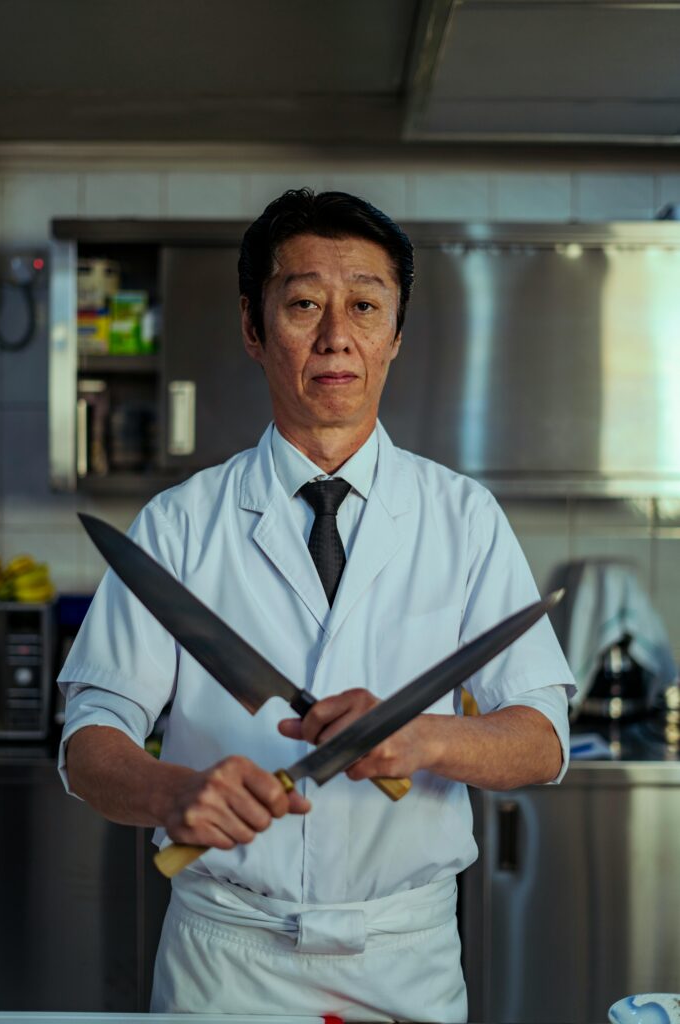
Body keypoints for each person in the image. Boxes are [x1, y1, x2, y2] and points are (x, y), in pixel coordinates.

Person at [59, 188, 575, 1022]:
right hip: (225, 965)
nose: (337, 335)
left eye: (365, 305)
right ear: (253, 329)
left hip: (404, 960)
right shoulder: (180, 524)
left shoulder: (463, 517)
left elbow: (543, 739)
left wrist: (425, 736)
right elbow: (90, 743)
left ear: (395, 334)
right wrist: (171, 793)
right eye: (303, 303)